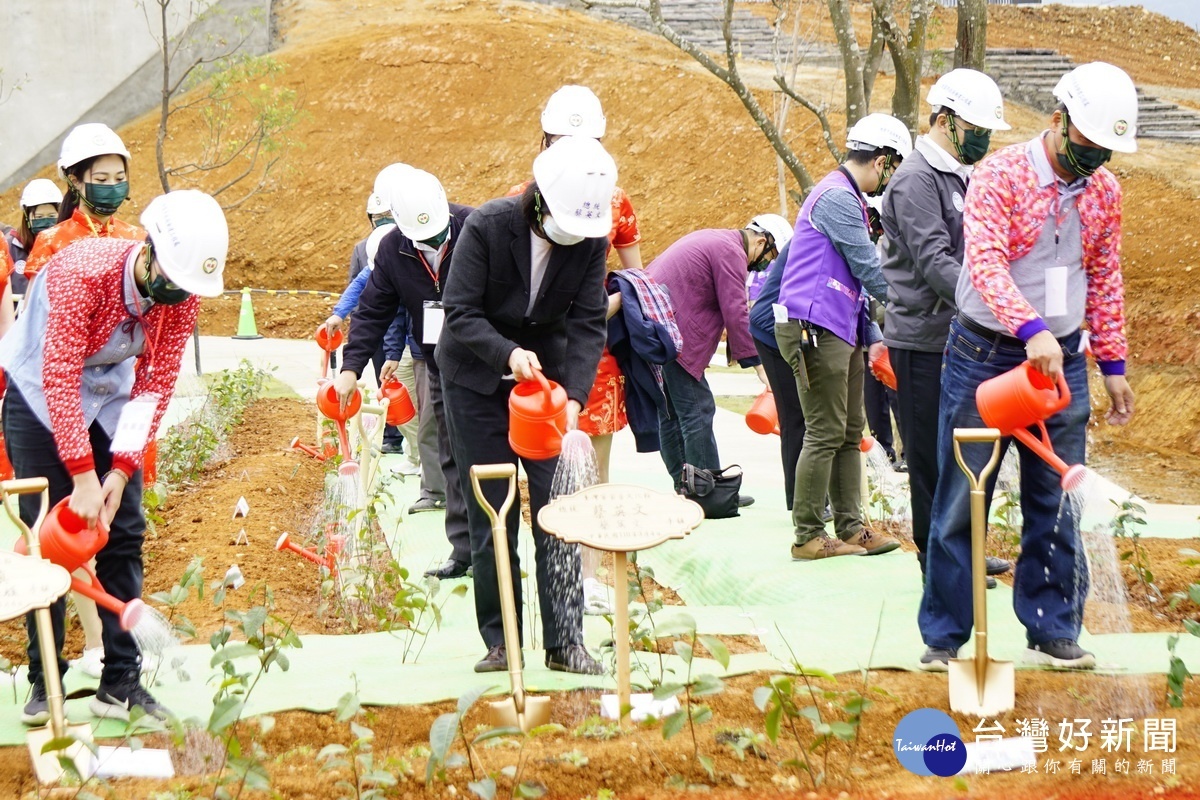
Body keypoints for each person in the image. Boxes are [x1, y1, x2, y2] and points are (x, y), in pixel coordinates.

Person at [917, 62, 1138, 672]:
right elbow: (984, 264)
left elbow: (1105, 275)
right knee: (963, 494)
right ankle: (944, 636)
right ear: (1059, 121)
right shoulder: (1000, 176)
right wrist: (1030, 327)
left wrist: (1112, 360)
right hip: (985, 355)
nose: (1096, 159)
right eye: (1089, 144)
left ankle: (1052, 627)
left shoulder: (1104, 193)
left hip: (1061, 360)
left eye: (1107, 151)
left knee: (1057, 496)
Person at [0, 190, 228, 724]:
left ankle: (120, 681)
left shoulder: (181, 295)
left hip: (110, 399)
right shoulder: (84, 272)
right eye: (171, 280)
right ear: (148, 252)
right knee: (46, 540)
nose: (177, 294)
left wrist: (121, 470)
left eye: (187, 288)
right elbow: (57, 375)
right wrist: (82, 476)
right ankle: (45, 678)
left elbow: (154, 384)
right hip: (38, 395)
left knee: (123, 531)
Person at [438, 135, 615, 675]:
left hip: (546, 391)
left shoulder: (590, 240)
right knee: (494, 508)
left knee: (556, 510)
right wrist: (509, 353)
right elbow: (460, 311)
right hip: (475, 377)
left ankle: (566, 643)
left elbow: (586, 321)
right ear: (538, 200)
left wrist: (576, 400)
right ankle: (502, 640)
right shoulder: (489, 226)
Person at [506, 84, 644, 614]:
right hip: (538, 354)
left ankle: (586, 576)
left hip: (588, 353)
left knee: (591, 467)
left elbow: (637, 282)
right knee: (547, 468)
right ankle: (558, 574)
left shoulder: (616, 202)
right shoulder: (524, 198)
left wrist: (592, 312)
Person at [880, 68, 1014, 586]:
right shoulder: (915, 179)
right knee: (930, 458)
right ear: (944, 120)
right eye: (976, 128)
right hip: (924, 340)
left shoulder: (960, 175)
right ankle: (938, 563)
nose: (982, 139)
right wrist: (994, 304)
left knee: (968, 450)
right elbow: (936, 262)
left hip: (966, 339)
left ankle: (967, 549)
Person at [774, 113, 911, 560]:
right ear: (881, 160)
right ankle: (808, 534)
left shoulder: (848, 197)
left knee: (851, 430)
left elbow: (852, 280)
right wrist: (910, 309)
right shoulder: (836, 197)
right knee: (825, 431)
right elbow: (867, 267)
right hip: (816, 328)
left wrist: (872, 332)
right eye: (893, 168)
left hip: (841, 326)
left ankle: (852, 526)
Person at [333, 167, 476, 581]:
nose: (430, 244)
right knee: (449, 454)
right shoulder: (396, 248)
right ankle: (463, 549)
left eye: (435, 238)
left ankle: (497, 548)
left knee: (486, 455)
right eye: (422, 240)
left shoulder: (475, 227)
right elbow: (374, 309)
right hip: (440, 362)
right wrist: (349, 368)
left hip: (487, 360)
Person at [645, 218, 782, 504]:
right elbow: (735, 310)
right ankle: (709, 495)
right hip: (674, 331)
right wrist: (759, 366)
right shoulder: (731, 251)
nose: (766, 264)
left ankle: (688, 488)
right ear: (760, 241)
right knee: (698, 410)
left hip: (655, 327)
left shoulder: (719, 241)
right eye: (769, 257)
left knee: (671, 414)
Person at [324, 192, 414, 463]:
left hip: (410, 335)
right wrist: (339, 313)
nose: (382, 222)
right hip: (378, 329)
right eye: (377, 218)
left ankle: (416, 453)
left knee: (409, 392)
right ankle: (397, 439)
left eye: (386, 217)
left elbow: (400, 317)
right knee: (386, 384)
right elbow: (358, 286)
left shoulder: (412, 248)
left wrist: (396, 352)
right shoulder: (369, 248)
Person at [24, 123, 141, 277]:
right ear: (74, 181)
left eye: (119, 178)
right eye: (101, 179)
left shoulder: (137, 238)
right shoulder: (50, 242)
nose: (112, 186)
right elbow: (38, 300)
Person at [5, 178, 63, 297]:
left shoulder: (68, 245)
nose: (45, 221)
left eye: (51, 216)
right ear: (27, 217)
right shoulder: (11, 247)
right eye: (39, 216)